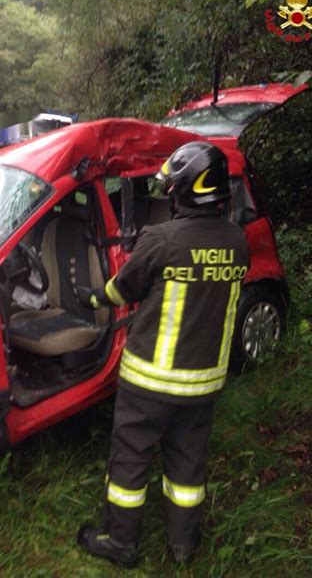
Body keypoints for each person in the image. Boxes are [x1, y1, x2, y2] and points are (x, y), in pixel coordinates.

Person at [76, 141, 250, 567]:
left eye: (172, 187)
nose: (168, 194)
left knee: (130, 458)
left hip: (150, 382)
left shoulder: (161, 239)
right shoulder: (238, 243)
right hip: (204, 382)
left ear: (187, 189)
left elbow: (122, 289)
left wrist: (93, 299)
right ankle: (183, 546)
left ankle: (120, 543)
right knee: (188, 461)